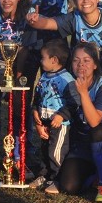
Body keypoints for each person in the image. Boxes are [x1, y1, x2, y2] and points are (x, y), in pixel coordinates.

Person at [55, 43, 102, 202]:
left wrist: (83, 92)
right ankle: (97, 171)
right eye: (76, 60)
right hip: (86, 140)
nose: (81, 64)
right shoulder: (69, 83)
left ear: (96, 64)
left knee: (98, 131)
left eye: (86, 60)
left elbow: (94, 121)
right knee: (69, 186)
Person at [30, 39, 76, 194]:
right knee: (44, 150)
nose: (40, 61)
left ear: (54, 60)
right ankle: (45, 175)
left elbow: (73, 103)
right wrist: (35, 111)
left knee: (55, 152)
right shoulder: (43, 77)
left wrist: (61, 116)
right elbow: (38, 97)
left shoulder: (67, 79)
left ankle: (58, 178)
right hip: (45, 122)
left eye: (43, 58)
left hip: (60, 125)